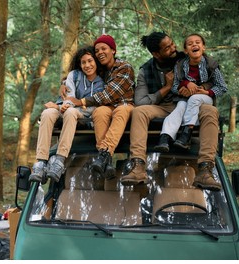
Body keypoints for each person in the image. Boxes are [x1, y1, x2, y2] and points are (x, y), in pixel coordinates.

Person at [120, 31, 223, 191]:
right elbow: (140, 102)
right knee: (139, 112)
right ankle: (138, 166)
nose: (173, 48)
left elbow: (212, 78)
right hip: (164, 107)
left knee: (210, 110)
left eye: (172, 43)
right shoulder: (145, 70)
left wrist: (199, 88)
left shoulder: (187, 57)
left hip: (190, 105)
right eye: (167, 48)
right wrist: (167, 87)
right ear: (156, 53)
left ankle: (205, 169)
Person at [29, 46, 105, 183]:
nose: (87, 65)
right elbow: (69, 96)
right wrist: (60, 106)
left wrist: (64, 106)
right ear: (79, 64)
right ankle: (41, 162)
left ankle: (60, 160)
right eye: (83, 62)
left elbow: (93, 107)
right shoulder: (74, 75)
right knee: (47, 113)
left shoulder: (101, 82)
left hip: (83, 115)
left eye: (90, 61)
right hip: (65, 107)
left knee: (70, 112)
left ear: (96, 61)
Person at [64, 34, 135, 179]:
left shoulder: (124, 67)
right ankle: (106, 161)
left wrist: (82, 101)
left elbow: (110, 95)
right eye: (97, 50)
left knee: (120, 110)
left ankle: (104, 153)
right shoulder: (101, 69)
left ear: (113, 50)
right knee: (100, 112)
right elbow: (84, 73)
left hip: (124, 104)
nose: (100, 52)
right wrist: (64, 83)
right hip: (107, 106)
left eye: (104, 48)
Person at [154, 33, 227, 152]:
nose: (194, 45)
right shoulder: (180, 65)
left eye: (198, 42)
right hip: (185, 99)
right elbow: (174, 86)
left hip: (205, 97)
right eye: (190, 43)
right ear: (186, 50)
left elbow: (222, 87)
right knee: (180, 106)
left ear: (203, 47)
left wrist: (206, 92)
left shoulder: (211, 64)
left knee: (195, 98)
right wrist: (185, 85)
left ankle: (186, 135)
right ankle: (165, 138)